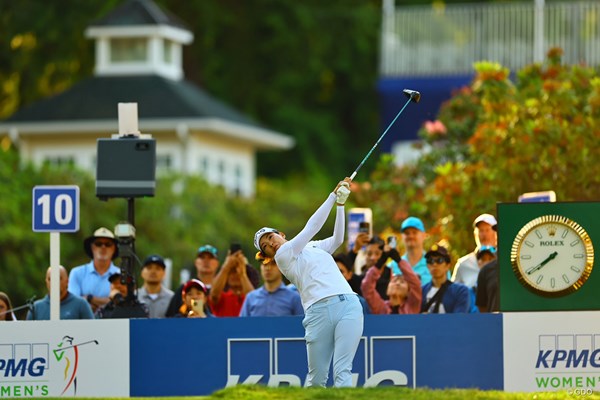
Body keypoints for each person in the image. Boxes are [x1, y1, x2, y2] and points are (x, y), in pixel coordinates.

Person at [254, 177, 363, 388]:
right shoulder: (283, 256)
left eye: (271, 237)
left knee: (343, 371)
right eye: (265, 246)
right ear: (266, 255)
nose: (271, 244)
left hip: (348, 304)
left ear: (281, 234)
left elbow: (337, 240)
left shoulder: (312, 247)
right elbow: (311, 227)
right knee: (317, 380)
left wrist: (341, 204)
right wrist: (332, 196)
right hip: (317, 313)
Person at [68, 227, 120, 312]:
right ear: (92, 247)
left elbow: (121, 304)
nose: (103, 247)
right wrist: (108, 303)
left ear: (114, 248)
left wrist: (89, 298)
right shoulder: (77, 273)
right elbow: (73, 304)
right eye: (98, 244)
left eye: (108, 244)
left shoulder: (121, 274)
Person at [361, 246, 422, 314]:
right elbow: (366, 287)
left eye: (402, 282)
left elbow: (415, 283)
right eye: (394, 281)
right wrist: (379, 264)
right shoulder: (381, 308)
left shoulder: (412, 307)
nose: (397, 283)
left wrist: (399, 261)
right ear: (387, 289)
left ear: (408, 292)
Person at [239, 256, 303, 317]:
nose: (268, 268)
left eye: (273, 264)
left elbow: (302, 325)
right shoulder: (250, 297)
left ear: (282, 267)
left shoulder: (294, 298)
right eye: (264, 264)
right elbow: (242, 326)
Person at [27, 266, 94, 320]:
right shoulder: (36, 308)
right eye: (50, 279)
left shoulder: (81, 305)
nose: (54, 282)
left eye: (59, 278)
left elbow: (92, 332)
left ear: (67, 281)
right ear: (46, 282)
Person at [452, 213, 498, 288]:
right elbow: (453, 293)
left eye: (487, 230)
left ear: (495, 233)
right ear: (475, 235)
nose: (484, 234)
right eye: (481, 230)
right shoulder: (463, 264)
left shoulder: (503, 262)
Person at [421, 244, 470, 314]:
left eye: (439, 260)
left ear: (448, 265)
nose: (434, 264)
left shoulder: (460, 291)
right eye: (430, 261)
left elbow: (458, 319)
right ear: (427, 265)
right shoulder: (421, 291)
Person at [210, 249, 255, 317]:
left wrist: (242, 274)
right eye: (232, 271)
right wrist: (226, 267)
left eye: (237, 270)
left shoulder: (248, 297)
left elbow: (254, 301)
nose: (235, 275)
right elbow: (214, 295)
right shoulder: (222, 298)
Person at [400, 216, 432, 286]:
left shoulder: (435, 264)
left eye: (414, 232)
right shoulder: (393, 266)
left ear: (424, 235)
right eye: (407, 233)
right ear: (402, 237)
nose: (411, 236)